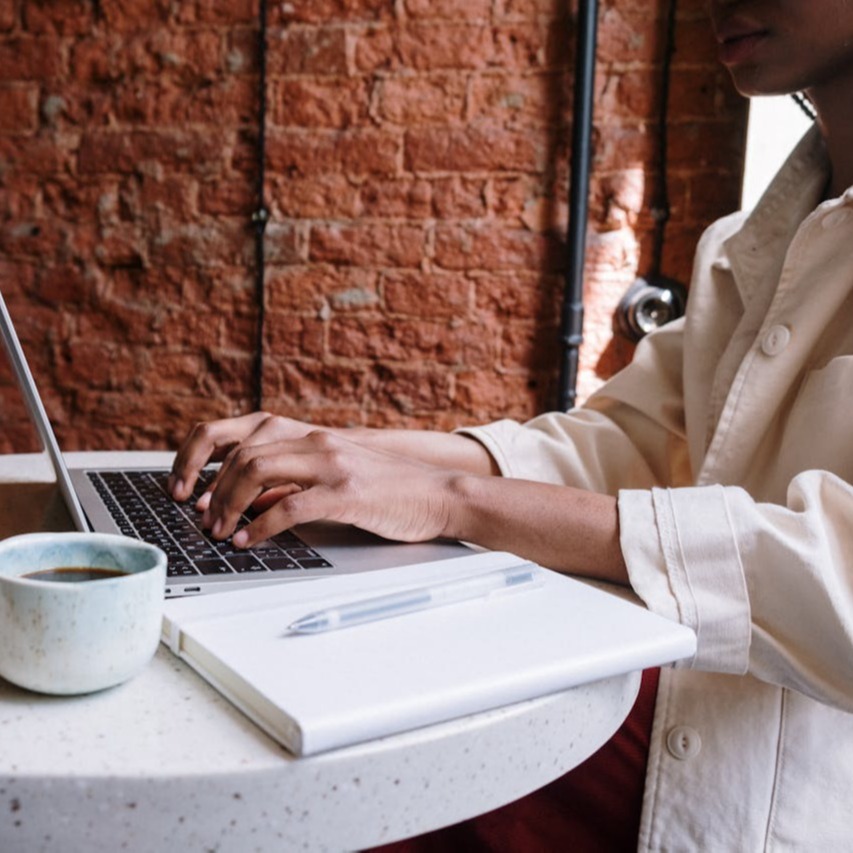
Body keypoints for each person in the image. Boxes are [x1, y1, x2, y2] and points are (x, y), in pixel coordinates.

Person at [168, 1, 853, 848]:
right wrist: (347, 452)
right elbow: (619, 445)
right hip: (677, 714)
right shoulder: (750, 242)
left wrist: (454, 502)